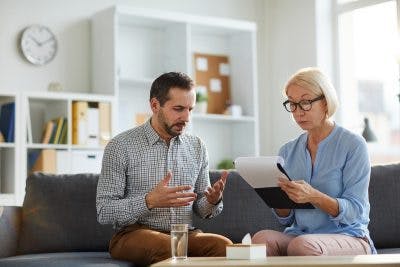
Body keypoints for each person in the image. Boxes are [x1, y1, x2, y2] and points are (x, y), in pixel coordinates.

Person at [96, 72, 232, 266]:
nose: (186, 117)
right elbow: (104, 211)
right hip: (133, 234)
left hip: (183, 234)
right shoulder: (120, 146)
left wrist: (212, 200)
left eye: (190, 109)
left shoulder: (197, 147)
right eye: (178, 109)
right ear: (154, 105)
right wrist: (149, 201)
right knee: (169, 247)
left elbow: (201, 209)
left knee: (224, 246)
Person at [252, 67, 376, 256]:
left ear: (326, 102)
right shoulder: (287, 151)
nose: (298, 112)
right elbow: (286, 220)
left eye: (305, 102)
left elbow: (355, 212)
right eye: (292, 104)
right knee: (261, 240)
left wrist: (314, 196)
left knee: (302, 245)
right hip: (300, 235)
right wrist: (277, 199)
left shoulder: (353, 145)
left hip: (349, 235)